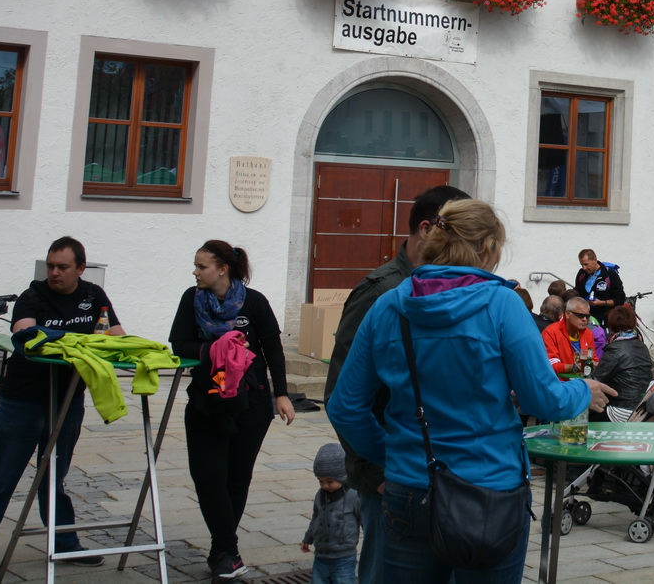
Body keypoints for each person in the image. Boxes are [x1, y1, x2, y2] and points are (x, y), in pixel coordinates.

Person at [330, 199, 608, 584]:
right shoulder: (502, 305)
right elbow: (541, 399)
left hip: (411, 485)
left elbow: (345, 407)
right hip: (490, 487)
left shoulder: (389, 305)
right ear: (487, 249)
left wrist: (391, 453)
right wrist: (582, 390)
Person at [0, 237, 124, 574]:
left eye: (62, 267)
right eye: (51, 266)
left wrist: (88, 341)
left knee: (55, 479)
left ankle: (64, 544)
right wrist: (79, 342)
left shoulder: (93, 295)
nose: (54, 273)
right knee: (2, 483)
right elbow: (25, 333)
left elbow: (116, 335)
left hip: (66, 402)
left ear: (80, 268)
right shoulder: (33, 295)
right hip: (22, 402)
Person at [324, 184, 461, 584]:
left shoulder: (448, 288)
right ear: (426, 229)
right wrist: (378, 469)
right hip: (391, 478)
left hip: (440, 475)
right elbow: (341, 396)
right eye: (457, 231)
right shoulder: (381, 292)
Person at [171, 240, 296, 580]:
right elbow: (179, 343)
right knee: (208, 477)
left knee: (237, 478)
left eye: (201, 266)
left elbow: (273, 349)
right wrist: (218, 348)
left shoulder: (253, 303)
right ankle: (228, 548)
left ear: (222, 269)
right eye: (196, 266)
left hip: (251, 402)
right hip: (206, 400)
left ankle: (223, 551)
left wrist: (281, 394)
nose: (195, 272)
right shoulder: (191, 300)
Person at [301, 443, 362, 584]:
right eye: (320, 481)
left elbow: (364, 520)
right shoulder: (320, 495)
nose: (324, 486)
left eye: (330, 481)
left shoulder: (353, 496)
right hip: (321, 555)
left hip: (344, 558)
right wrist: (308, 538)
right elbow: (315, 517)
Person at [594, 304, 653, 422]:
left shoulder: (615, 348)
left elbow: (596, 379)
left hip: (621, 410)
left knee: (584, 411)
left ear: (611, 325)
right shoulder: (642, 346)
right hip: (642, 408)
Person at [542, 297, 600, 373]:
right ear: (567, 314)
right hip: (561, 382)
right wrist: (577, 367)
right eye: (580, 315)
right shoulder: (550, 332)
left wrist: (595, 364)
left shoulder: (588, 334)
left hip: (583, 381)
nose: (585, 319)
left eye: (587, 316)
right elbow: (551, 365)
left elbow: (593, 359)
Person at [574, 249, 626, 323]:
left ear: (595, 260)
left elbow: (620, 299)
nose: (584, 268)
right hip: (585, 319)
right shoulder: (581, 274)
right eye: (582, 265)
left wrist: (602, 303)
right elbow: (577, 292)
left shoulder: (609, 274)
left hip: (605, 319)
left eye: (586, 264)